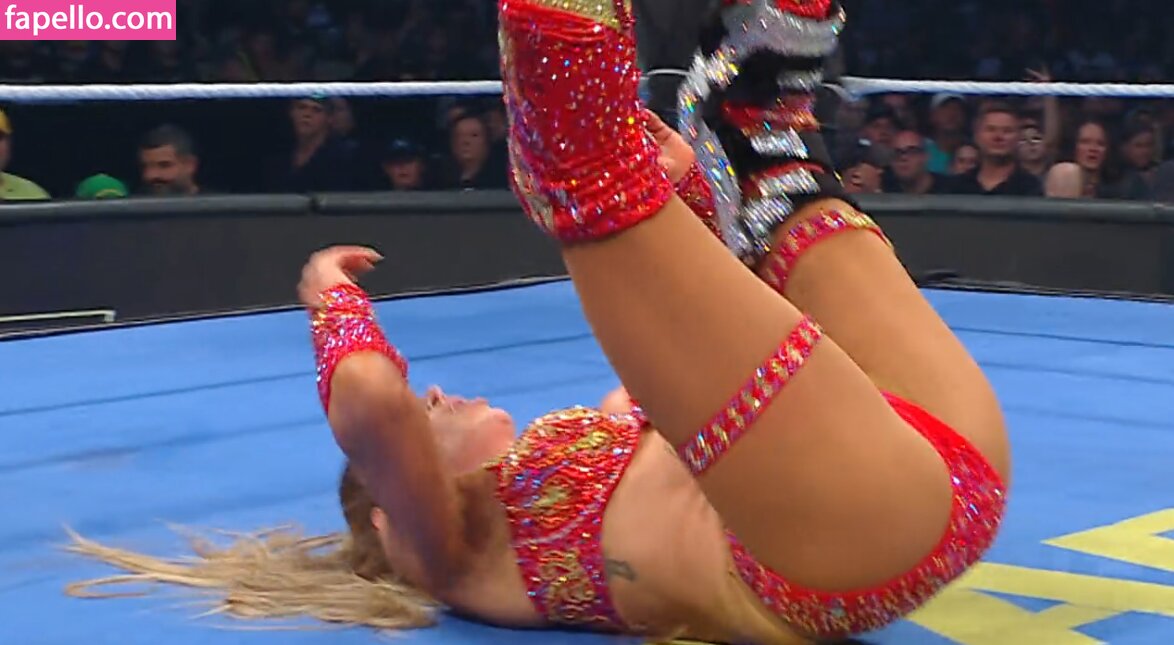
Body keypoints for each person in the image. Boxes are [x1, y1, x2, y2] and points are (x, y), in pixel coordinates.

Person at [67, 1, 1010, 642]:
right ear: (392, 509)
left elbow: (716, 363)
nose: (435, 392)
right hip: (835, 545)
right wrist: (329, 300)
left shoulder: (586, 449)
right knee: (574, 162)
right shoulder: (451, 550)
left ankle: (756, 128)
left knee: (762, 154)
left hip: (939, 464)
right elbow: (370, 399)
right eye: (427, 416)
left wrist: (686, 205)